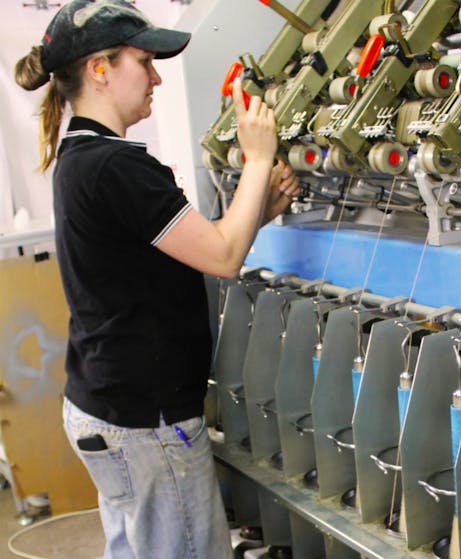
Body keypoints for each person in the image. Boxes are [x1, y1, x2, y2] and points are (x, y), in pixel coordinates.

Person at [14, 1, 300, 557]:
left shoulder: (84, 157)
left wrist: (257, 210)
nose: (157, 77)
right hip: (148, 424)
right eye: (144, 62)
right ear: (100, 69)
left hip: (106, 406)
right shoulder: (116, 167)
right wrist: (258, 158)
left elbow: (171, 253)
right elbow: (221, 257)